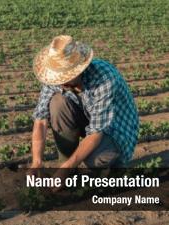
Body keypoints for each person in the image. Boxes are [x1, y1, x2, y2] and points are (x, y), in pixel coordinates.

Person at [30, 35, 139, 170]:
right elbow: (40, 120)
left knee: (94, 158)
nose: (60, 82)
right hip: (89, 121)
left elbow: (96, 132)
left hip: (115, 130)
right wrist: (37, 163)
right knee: (57, 103)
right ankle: (67, 165)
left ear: (79, 68)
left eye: (66, 76)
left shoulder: (104, 78)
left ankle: (113, 166)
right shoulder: (54, 77)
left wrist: (65, 171)